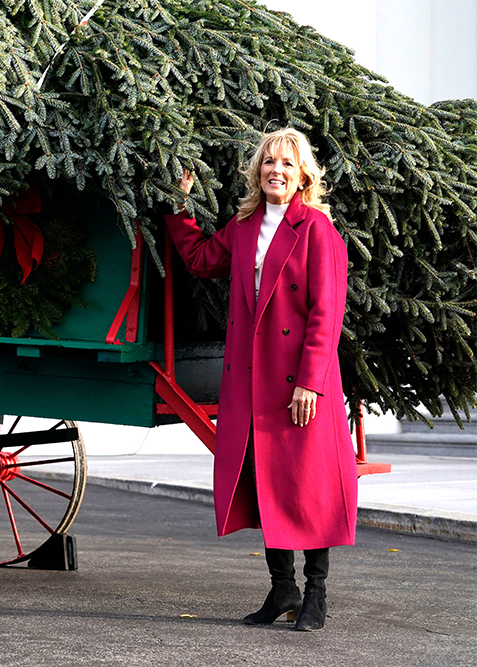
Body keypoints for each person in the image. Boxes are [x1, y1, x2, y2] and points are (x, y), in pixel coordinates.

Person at [165, 128, 358, 631]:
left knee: (308, 483)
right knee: (264, 481)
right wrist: (179, 207)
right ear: (257, 171)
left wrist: (310, 383)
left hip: (298, 380)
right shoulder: (246, 226)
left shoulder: (318, 230)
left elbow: (325, 313)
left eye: (287, 165)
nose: (277, 170)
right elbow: (202, 259)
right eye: (269, 162)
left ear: (303, 176)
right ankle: (282, 589)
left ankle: (315, 595)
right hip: (252, 377)